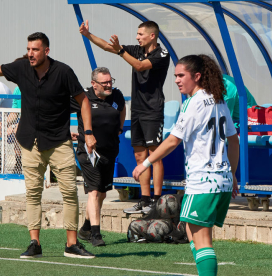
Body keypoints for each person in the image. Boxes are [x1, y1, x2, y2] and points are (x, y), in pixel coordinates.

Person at [0, 32, 97, 259]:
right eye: (29, 49)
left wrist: (88, 132)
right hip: (29, 142)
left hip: (58, 141)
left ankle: (71, 244)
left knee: (70, 193)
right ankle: (35, 243)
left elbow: (84, 101)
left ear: (46, 51)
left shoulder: (63, 72)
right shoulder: (21, 68)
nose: (30, 53)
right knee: (33, 194)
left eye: (35, 50)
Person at [133, 54, 239, 276]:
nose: (177, 80)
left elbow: (173, 140)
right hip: (221, 180)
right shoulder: (218, 99)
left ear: (197, 76)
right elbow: (234, 140)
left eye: (181, 75)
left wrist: (146, 163)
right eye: (175, 76)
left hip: (203, 181)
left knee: (202, 240)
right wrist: (232, 173)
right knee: (190, 231)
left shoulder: (194, 102)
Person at [80, 20, 170, 215]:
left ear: (152, 35)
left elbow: (139, 66)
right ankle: (145, 200)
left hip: (153, 110)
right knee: (140, 155)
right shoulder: (136, 50)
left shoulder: (162, 54)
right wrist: (88, 35)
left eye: (140, 34)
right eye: (137, 34)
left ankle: (156, 200)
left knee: (155, 156)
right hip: (137, 110)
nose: (137, 37)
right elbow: (107, 46)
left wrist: (121, 51)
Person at [71, 67, 126, 247]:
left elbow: (123, 109)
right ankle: (96, 234)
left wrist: (119, 128)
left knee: (101, 193)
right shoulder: (83, 97)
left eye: (111, 81)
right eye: (105, 83)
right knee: (94, 191)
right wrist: (66, 132)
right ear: (94, 84)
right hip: (88, 152)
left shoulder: (116, 96)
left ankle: (86, 228)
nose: (109, 85)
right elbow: (58, 110)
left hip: (110, 151)